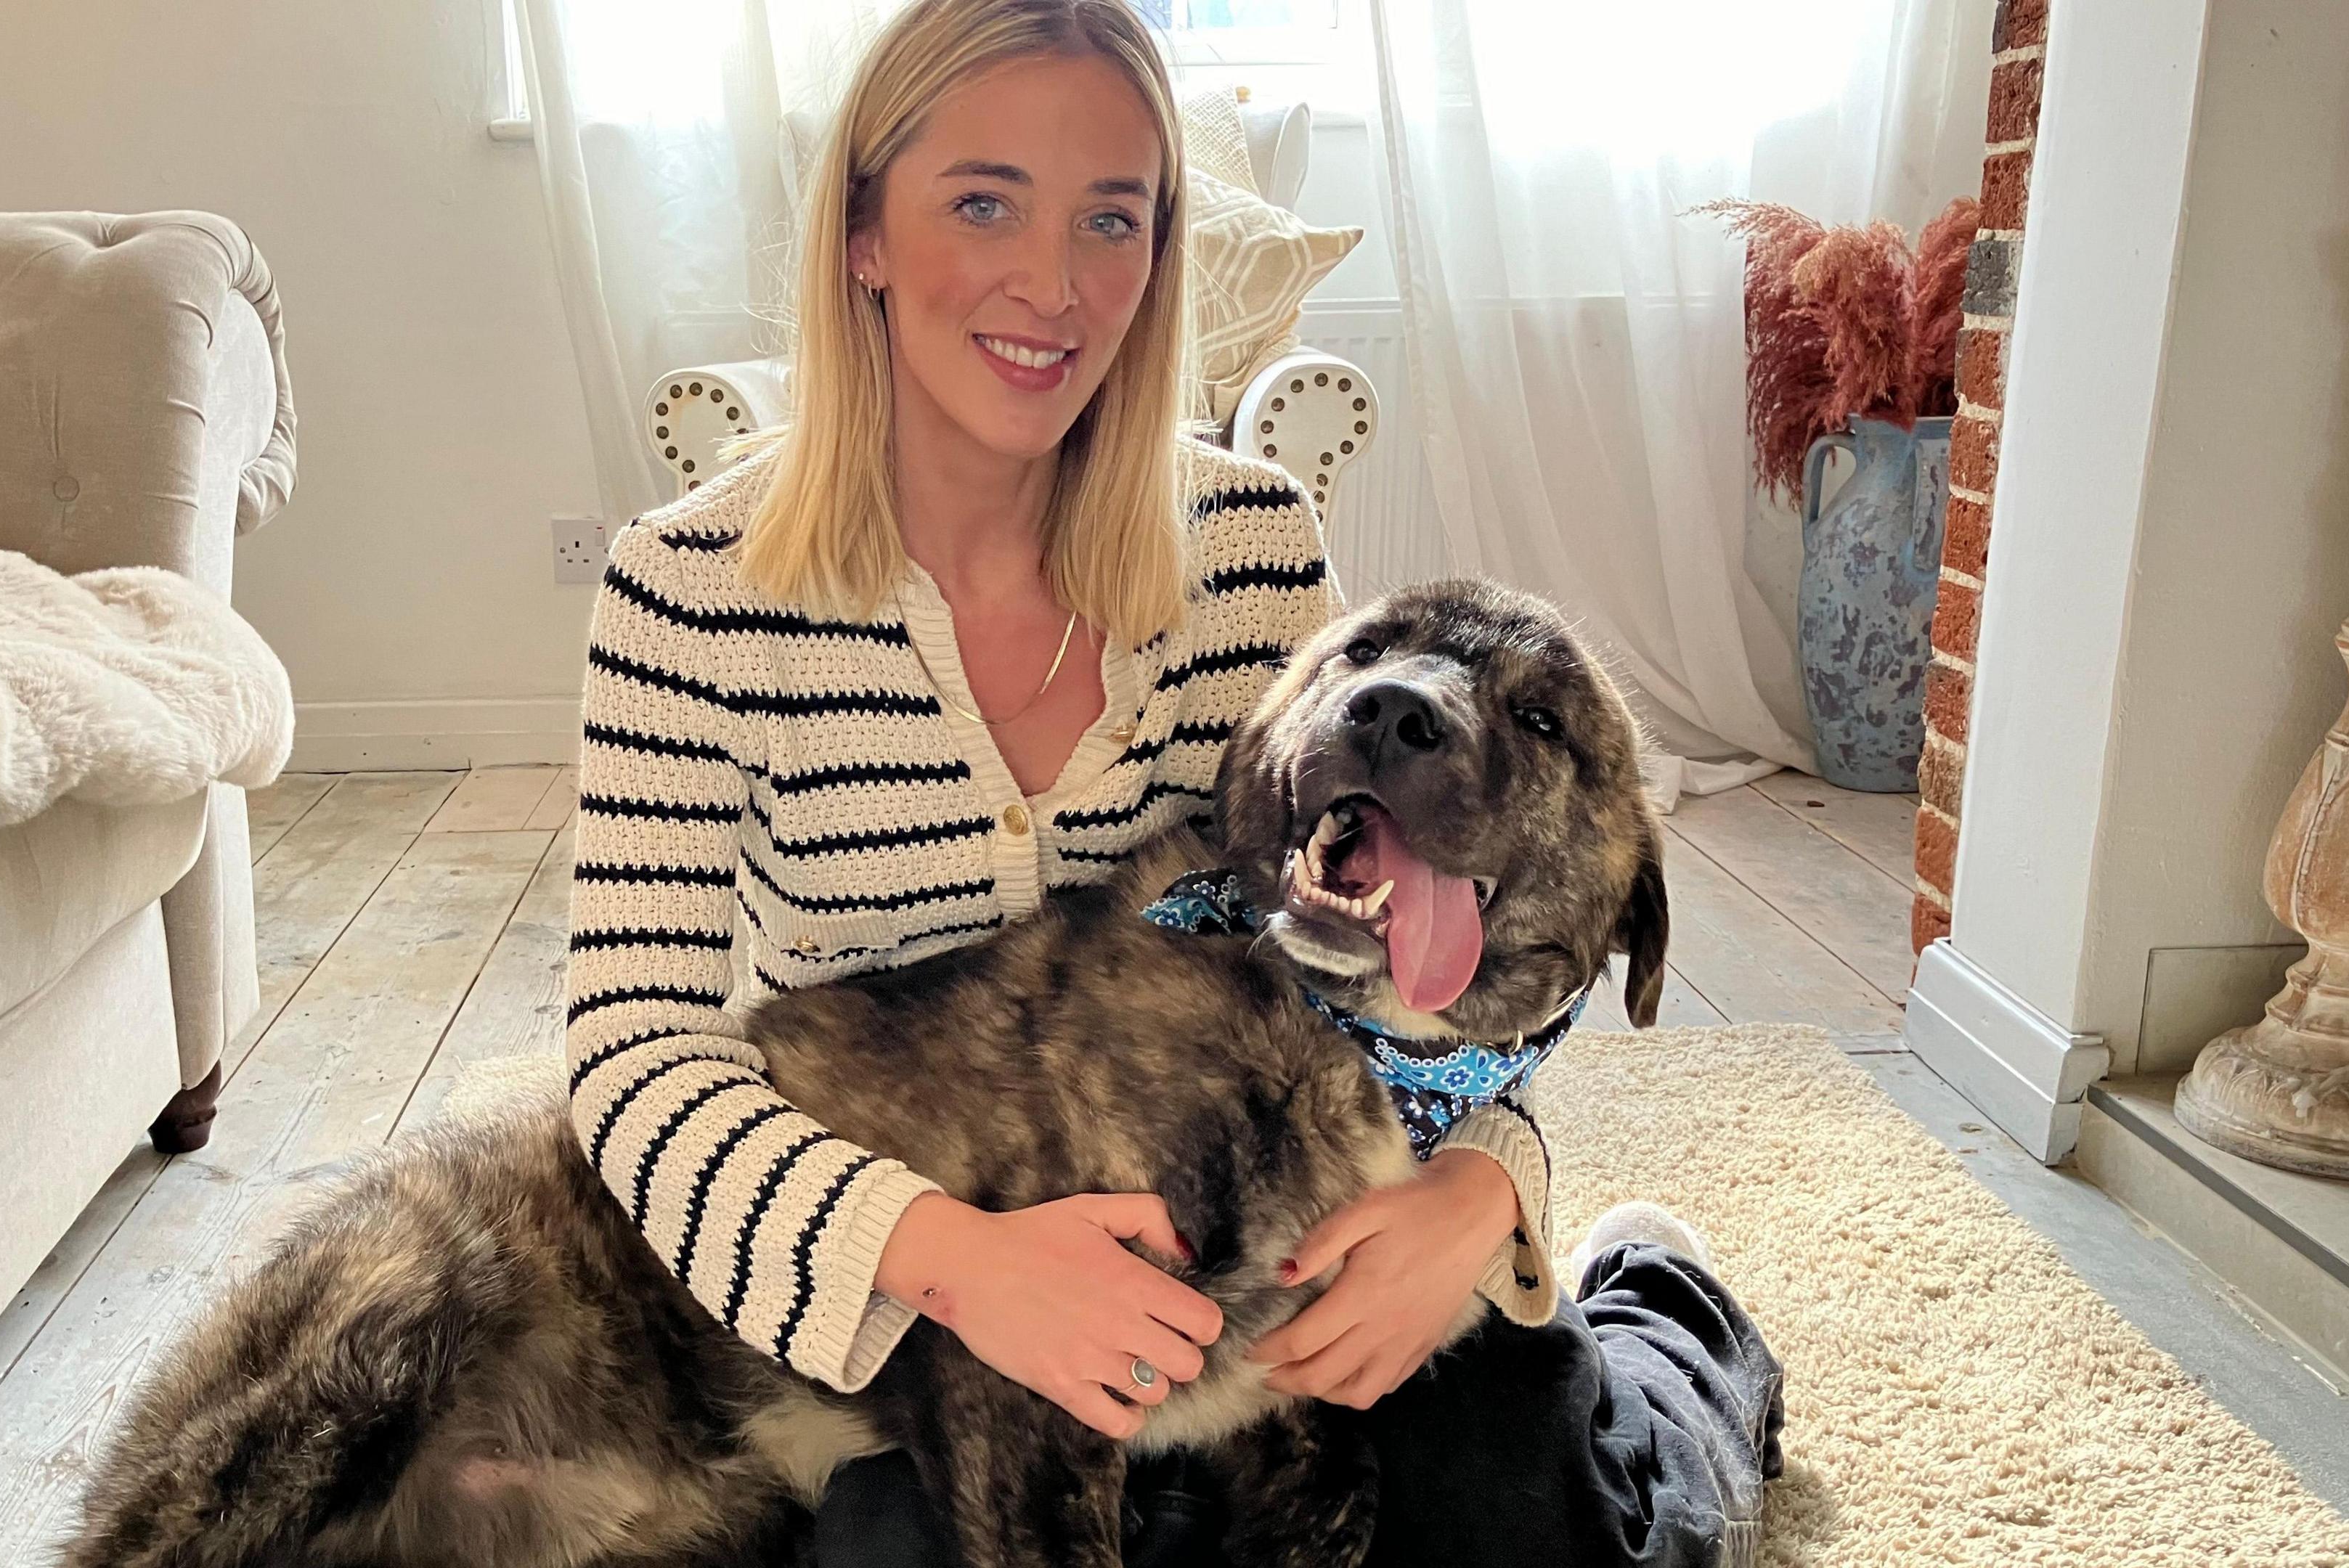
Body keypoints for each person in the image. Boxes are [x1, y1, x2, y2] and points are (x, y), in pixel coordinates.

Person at [560, 1, 1782, 1563]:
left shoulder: (1249, 548)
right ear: (864, 228)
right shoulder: (688, 591)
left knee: (1540, 1519)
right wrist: (947, 1259)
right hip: (950, 1313)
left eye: (1112, 221)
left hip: (1284, 1256)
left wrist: (1487, 1185)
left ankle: (1674, 1325)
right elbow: (633, 1053)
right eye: (983, 200)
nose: (1053, 284)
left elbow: (1450, 932)